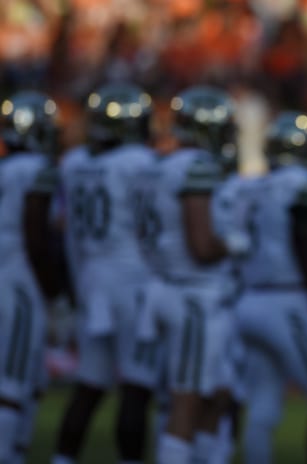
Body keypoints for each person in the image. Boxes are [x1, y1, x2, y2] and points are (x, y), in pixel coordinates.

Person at [133, 85, 247, 464]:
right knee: (186, 399)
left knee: (210, 393)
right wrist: (232, 243)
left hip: (166, 287)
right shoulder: (196, 165)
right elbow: (201, 246)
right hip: (193, 293)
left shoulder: (156, 163)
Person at [52, 82, 163, 464]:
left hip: (91, 278)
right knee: (137, 386)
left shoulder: (74, 163)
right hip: (131, 279)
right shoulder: (139, 162)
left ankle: (62, 459)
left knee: (89, 384)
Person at [232, 110, 307, 464]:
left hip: (248, 300)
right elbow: (304, 248)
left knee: (262, 406)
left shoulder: (248, 186)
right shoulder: (301, 184)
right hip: (286, 301)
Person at [0, 90, 60, 464]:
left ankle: (16, 452)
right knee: (13, 379)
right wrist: (51, 289)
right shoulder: (36, 170)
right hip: (19, 277)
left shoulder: (7, 168)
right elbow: (35, 234)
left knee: (29, 376)